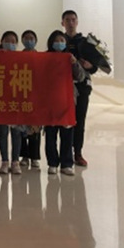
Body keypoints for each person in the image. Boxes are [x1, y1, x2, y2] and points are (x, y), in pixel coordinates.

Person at [44, 29, 86, 176]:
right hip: (50, 101)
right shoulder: (45, 57)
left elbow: (81, 77)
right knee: (50, 134)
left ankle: (66, 163)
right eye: (56, 41)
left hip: (67, 101)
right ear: (51, 43)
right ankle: (52, 163)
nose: (59, 43)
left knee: (67, 133)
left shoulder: (70, 57)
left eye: (62, 41)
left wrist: (75, 64)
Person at [62, 10, 97, 167]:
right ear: (62, 23)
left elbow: (95, 66)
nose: (70, 23)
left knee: (79, 120)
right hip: (62, 86)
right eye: (67, 20)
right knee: (64, 120)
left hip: (82, 86)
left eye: (73, 20)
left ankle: (78, 153)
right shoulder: (59, 40)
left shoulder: (85, 42)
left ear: (77, 22)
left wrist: (90, 66)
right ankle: (65, 153)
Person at [0, 31, 24, 174]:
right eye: (7, 40)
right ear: (1, 41)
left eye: (13, 41)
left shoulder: (21, 58)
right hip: (1, 100)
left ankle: (15, 161)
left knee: (16, 132)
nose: (10, 44)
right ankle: (4, 161)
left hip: (16, 100)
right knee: (2, 132)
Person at [20, 29, 41, 170]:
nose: (29, 40)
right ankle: (24, 156)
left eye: (31, 38)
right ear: (22, 41)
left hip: (36, 96)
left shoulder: (41, 57)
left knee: (35, 127)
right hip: (21, 95)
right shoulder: (18, 56)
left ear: (36, 41)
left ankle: (34, 157)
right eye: (26, 38)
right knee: (21, 127)